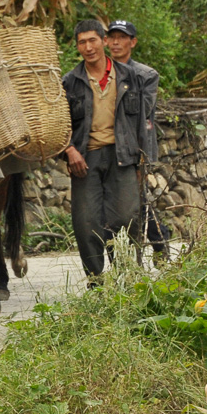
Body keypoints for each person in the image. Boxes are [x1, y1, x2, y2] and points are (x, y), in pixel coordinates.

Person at [62, 19, 147, 284]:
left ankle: (128, 279)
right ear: (77, 46)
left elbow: (143, 122)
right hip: (85, 159)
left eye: (93, 40)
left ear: (104, 41)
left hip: (122, 156)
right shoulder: (70, 82)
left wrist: (143, 162)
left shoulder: (130, 77)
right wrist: (69, 150)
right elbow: (59, 125)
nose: (88, 47)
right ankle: (97, 283)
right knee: (86, 223)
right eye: (82, 42)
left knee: (126, 218)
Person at [104, 19, 170, 261]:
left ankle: (157, 240)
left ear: (133, 42)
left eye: (122, 37)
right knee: (114, 202)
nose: (116, 42)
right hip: (107, 146)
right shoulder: (99, 72)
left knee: (136, 200)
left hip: (135, 146)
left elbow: (141, 113)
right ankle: (129, 252)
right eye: (112, 37)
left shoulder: (146, 76)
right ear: (106, 41)